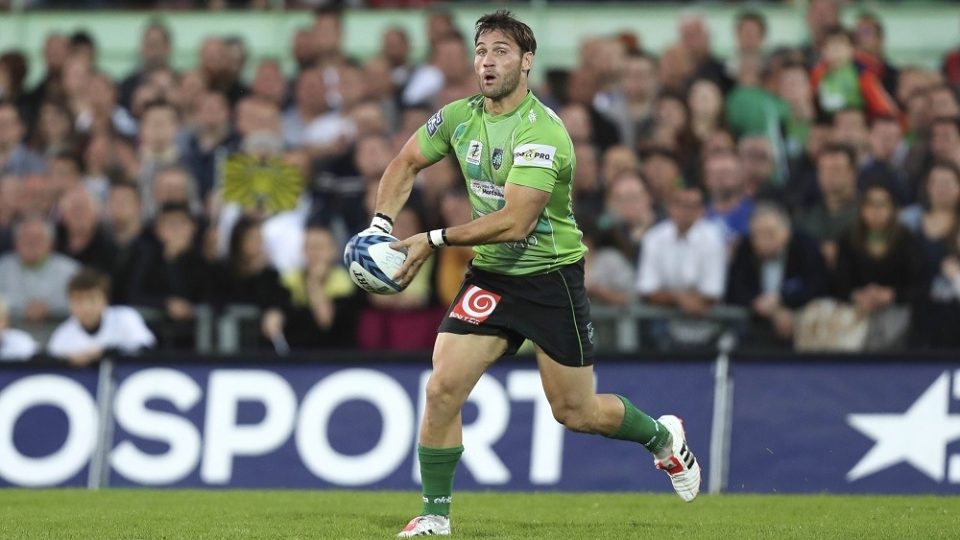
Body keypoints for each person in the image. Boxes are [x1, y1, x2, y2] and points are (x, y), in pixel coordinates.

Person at [367, 12, 700, 537]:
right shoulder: (459, 116)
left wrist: (432, 239)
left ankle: (661, 437)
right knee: (442, 389)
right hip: (492, 278)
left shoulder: (542, 131)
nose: (487, 61)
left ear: (526, 62)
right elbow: (405, 162)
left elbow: (517, 223)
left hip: (550, 280)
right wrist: (380, 225)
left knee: (576, 410)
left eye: (500, 51)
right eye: (481, 51)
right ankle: (434, 514)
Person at [47, 267, 156, 366]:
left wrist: (104, 353)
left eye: (92, 299)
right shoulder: (62, 336)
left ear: (105, 300)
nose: (86, 307)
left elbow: (147, 349)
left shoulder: (125, 318)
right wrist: (68, 362)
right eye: (78, 300)